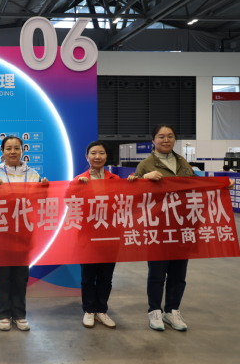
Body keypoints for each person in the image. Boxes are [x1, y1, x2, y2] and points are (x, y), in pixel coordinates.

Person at [128, 124, 196, 332]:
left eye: (170, 136)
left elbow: (198, 189)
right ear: (153, 140)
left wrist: (222, 185)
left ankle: (172, 311)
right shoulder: (146, 165)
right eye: (161, 136)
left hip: (181, 227)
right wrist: (143, 179)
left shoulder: (183, 163)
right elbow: (134, 195)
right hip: (157, 228)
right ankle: (155, 311)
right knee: (157, 273)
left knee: (178, 273)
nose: (166, 140)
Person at [0, 135, 48, 331]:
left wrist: (45, 189)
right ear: (2, 151)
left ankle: (19, 314)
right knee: (2, 277)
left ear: (22, 150)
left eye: (16, 148)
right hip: (0, 233)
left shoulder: (34, 175)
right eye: (8, 148)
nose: (12, 152)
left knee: (20, 277)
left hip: (23, 233)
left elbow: (40, 202)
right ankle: (3, 315)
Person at [73, 141, 119, 329]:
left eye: (101, 153)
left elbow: (125, 202)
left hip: (110, 236)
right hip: (88, 237)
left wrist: (134, 183)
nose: (97, 156)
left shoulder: (115, 179)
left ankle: (102, 310)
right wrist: (78, 188)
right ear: (87, 157)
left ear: (106, 156)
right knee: (88, 277)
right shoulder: (79, 179)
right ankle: (89, 310)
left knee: (106, 277)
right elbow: (69, 201)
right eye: (93, 153)